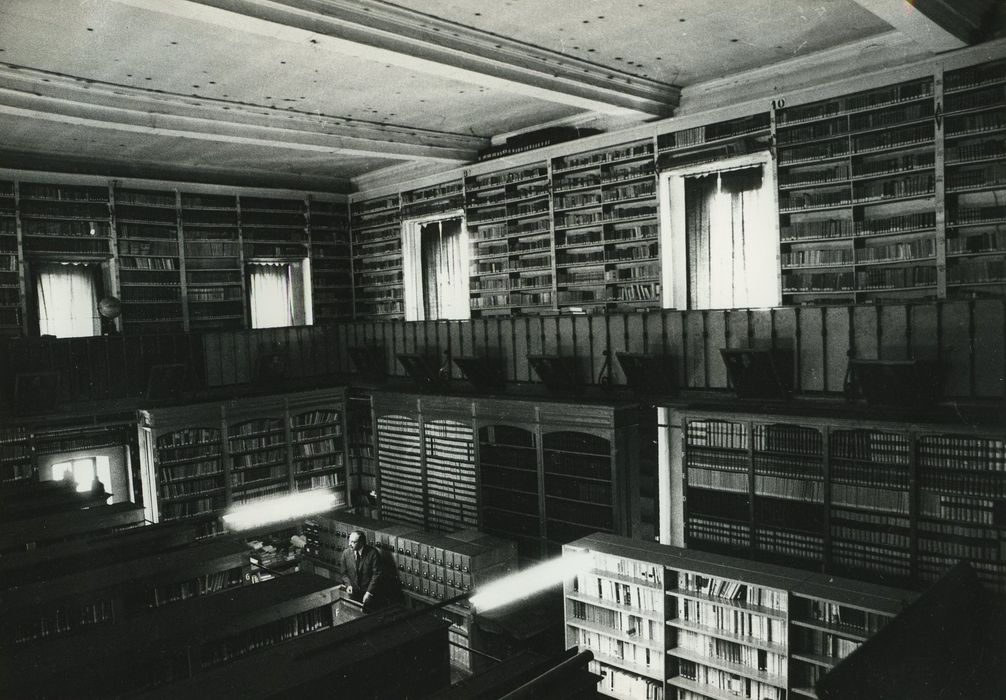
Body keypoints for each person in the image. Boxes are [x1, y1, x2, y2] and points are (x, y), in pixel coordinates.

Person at [340, 530, 386, 612]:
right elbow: (344, 573)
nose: (349, 544)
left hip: (370, 595)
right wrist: (349, 585)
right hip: (353, 594)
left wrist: (369, 593)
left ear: (361, 543)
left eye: (353, 542)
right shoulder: (346, 553)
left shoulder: (373, 553)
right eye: (349, 540)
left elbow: (377, 575)